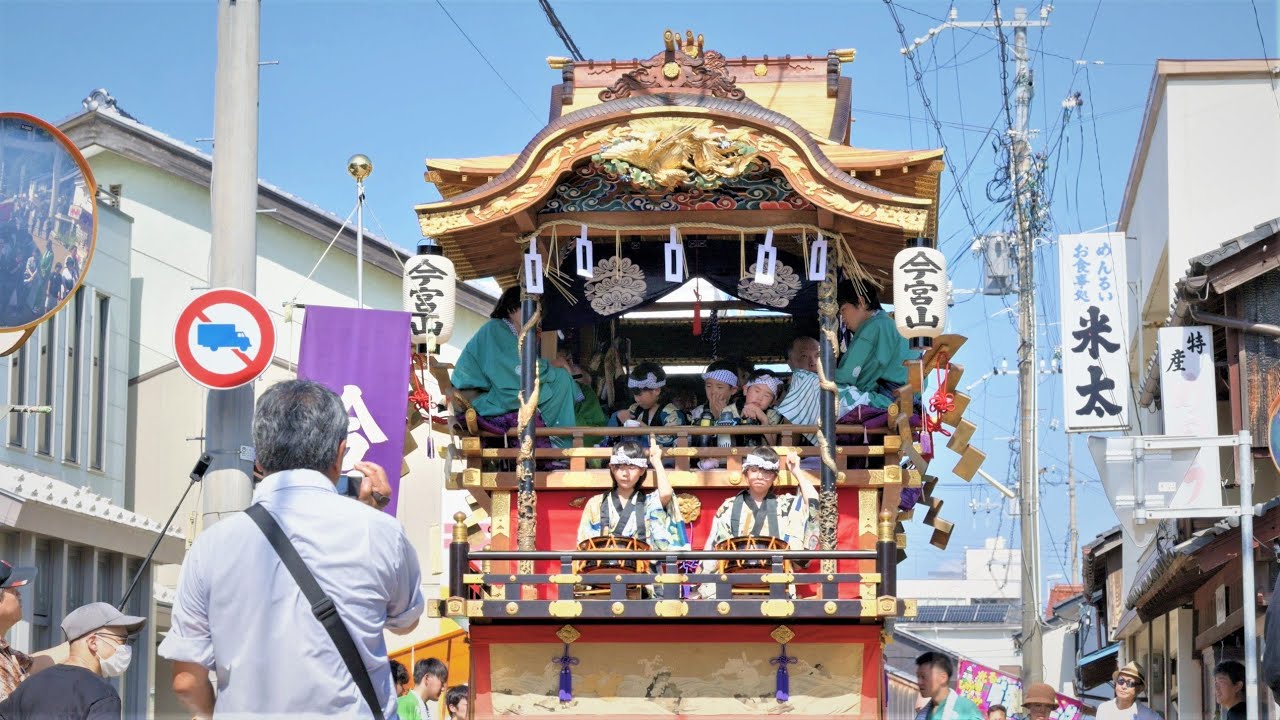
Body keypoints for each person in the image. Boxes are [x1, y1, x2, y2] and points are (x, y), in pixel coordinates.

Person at [159, 379, 424, 718]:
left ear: (258, 459)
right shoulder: (382, 532)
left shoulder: (211, 546)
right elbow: (405, 622)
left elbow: (186, 680)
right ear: (340, 453)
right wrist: (373, 512)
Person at [776, 280, 915, 443]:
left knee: (802, 379)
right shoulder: (886, 324)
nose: (842, 318)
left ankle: (787, 448)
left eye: (843, 309)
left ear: (861, 302)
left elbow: (845, 377)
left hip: (885, 401)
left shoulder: (872, 327)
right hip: (900, 398)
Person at [451, 286, 578, 447]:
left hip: (495, 394)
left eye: (537, 310)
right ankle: (557, 442)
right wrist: (551, 368)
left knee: (558, 380)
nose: (535, 315)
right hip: (481, 400)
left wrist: (550, 369)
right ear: (511, 309)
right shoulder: (496, 329)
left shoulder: (512, 332)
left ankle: (557, 441)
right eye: (530, 308)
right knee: (558, 380)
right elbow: (519, 370)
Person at [0, 602, 145, 719]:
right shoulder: (103, 695)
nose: (125, 648)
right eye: (122, 640)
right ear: (93, 642)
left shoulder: (27, 687)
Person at [576, 441, 686, 550]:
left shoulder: (648, 502)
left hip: (642, 564)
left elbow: (666, 493)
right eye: (619, 467)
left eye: (632, 467)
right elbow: (583, 544)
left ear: (642, 470)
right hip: (605, 565)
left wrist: (657, 461)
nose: (625, 473)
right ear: (612, 469)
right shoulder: (596, 503)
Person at [704, 448, 817, 551]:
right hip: (735, 570)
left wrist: (797, 471)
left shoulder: (786, 505)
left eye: (767, 472)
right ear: (746, 473)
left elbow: (814, 504)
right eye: (754, 470)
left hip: (779, 571)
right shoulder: (730, 506)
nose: (760, 476)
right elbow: (713, 548)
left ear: (774, 477)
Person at [608, 363, 686, 447]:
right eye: (634, 395)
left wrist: (644, 429)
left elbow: (670, 441)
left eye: (639, 395)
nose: (636, 399)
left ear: (656, 390)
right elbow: (611, 436)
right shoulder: (634, 409)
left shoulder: (672, 414)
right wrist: (616, 417)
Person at [914, 651, 982, 720]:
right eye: (918, 676)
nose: (919, 682)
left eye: (924, 677)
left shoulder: (966, 709)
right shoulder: (923, 714)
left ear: (943, 678)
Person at [736, 370, 785, 447]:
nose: (760, 398)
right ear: (745, 390)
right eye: (757, 391)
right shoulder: (731, 410)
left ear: (773, 402)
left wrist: (764, 420)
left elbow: (772, 446)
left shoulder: (772, 416)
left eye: (766, 395)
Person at [1096, 662, 1161, 720]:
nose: (1123, 686)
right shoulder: (1103, 709)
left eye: (1130, 683)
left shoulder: (1148, 716)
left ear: (1140, 688)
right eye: (1121, 681)